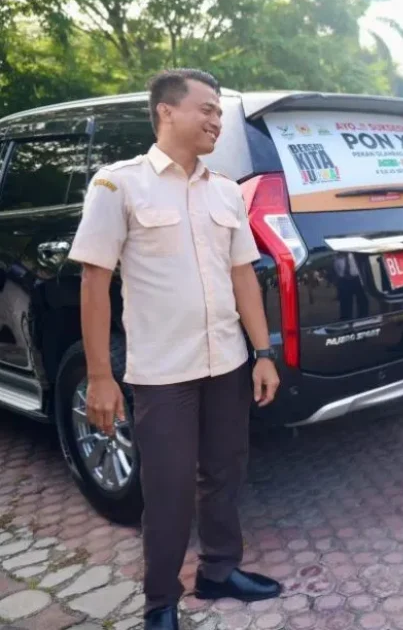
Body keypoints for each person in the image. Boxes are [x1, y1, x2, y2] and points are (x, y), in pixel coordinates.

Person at [68, 69, 283, 630]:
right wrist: (100, 376)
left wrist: (263, 353)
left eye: (219, 111)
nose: (216, 120)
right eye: (206, 109)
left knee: (225, 472)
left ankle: (219, 571)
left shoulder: (225, 190)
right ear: (166, 111)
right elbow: (94, 282)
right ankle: (160, 601)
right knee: (167, 489)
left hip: (228, 362)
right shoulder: (119, 185)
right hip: (162, 372)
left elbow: (243, 275)